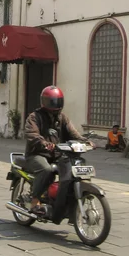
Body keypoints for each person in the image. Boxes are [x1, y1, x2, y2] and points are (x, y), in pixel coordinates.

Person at [24, 85, 93, 215]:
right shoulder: (34, 117)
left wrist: (84, 141)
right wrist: (44, 143)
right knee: (47, 170)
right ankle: (35, 200)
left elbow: (73, 133)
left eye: (57, 101)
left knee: (71, 168)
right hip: (37, 154)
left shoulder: (63, 118)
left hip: (57, 154)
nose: (54, 104)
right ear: (44, 101)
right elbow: (32, 134)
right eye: (51, 101)